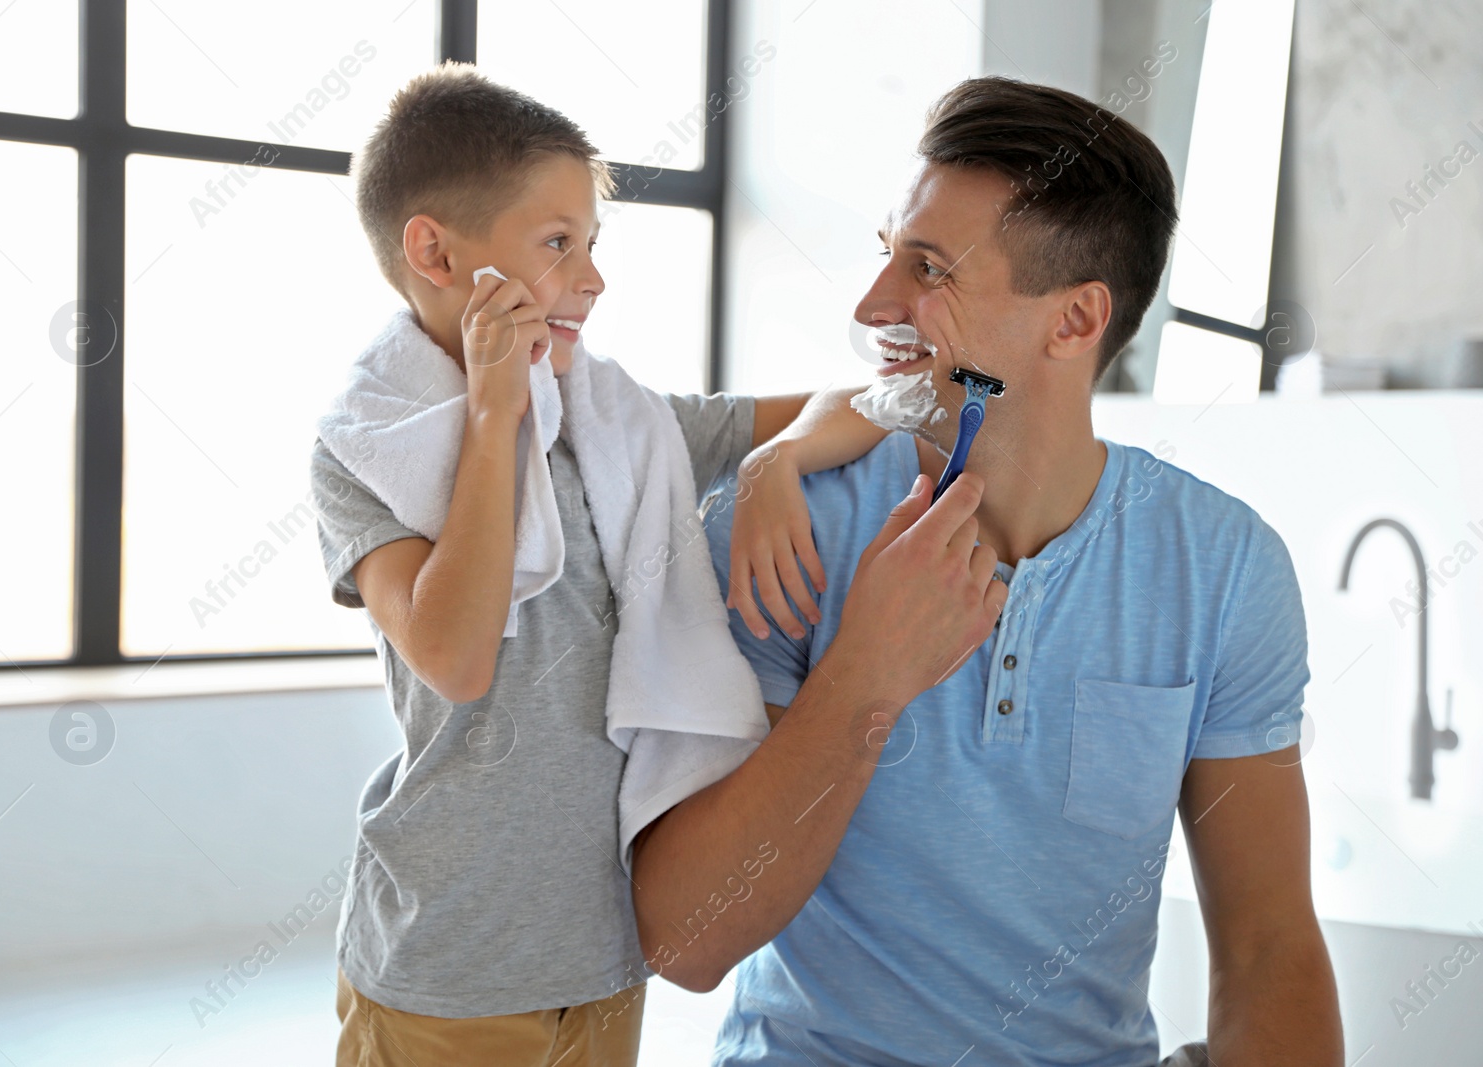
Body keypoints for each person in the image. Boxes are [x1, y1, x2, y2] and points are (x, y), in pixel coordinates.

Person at [631, 77, 1342, 1066]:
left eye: (928, 269)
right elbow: (685, 939)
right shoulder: (782, 531)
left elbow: (1270, 943)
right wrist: (868, 674)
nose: (874, 304)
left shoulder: (1221, 567)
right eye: (887, 253)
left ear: (1072, 321)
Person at [307, 64, 882, 1067]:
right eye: (558, 243)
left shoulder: (617, 422)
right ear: (435, 251)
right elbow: (454, 654)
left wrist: (774, 462)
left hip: (602, 947)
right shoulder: (363, 450)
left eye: (592, 244)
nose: (592, 277)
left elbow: (856, 403)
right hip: (448, 961)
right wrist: (494, 414)